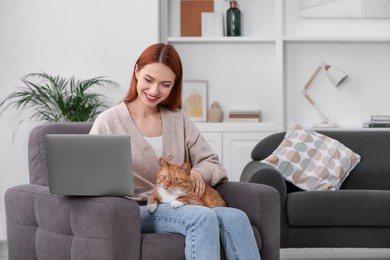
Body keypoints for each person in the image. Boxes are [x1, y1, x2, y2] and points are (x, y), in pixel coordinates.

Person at [89, 42, 261, 260]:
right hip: (137, 209)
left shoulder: (177, 119)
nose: (154, 91)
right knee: (201, 217)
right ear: (136, 72)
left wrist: (198, 173)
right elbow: (90, 175)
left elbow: (212, 163)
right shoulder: (109, 121)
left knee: (236, 217)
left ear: (174, 86)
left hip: (182, 201)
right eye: (148, 80)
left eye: (165, 84)